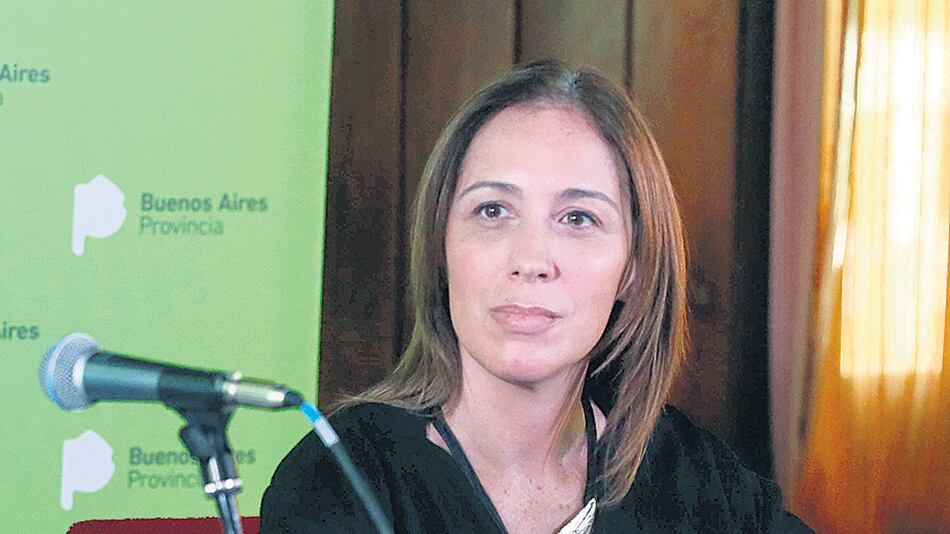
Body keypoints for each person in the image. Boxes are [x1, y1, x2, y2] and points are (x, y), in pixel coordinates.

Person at [260, 60, 812, 533]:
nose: (531, 260)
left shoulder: (696, 479)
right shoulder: (340, 477)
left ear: (635, 269)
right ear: (441, 248)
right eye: (493, 210)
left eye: (578, 218)